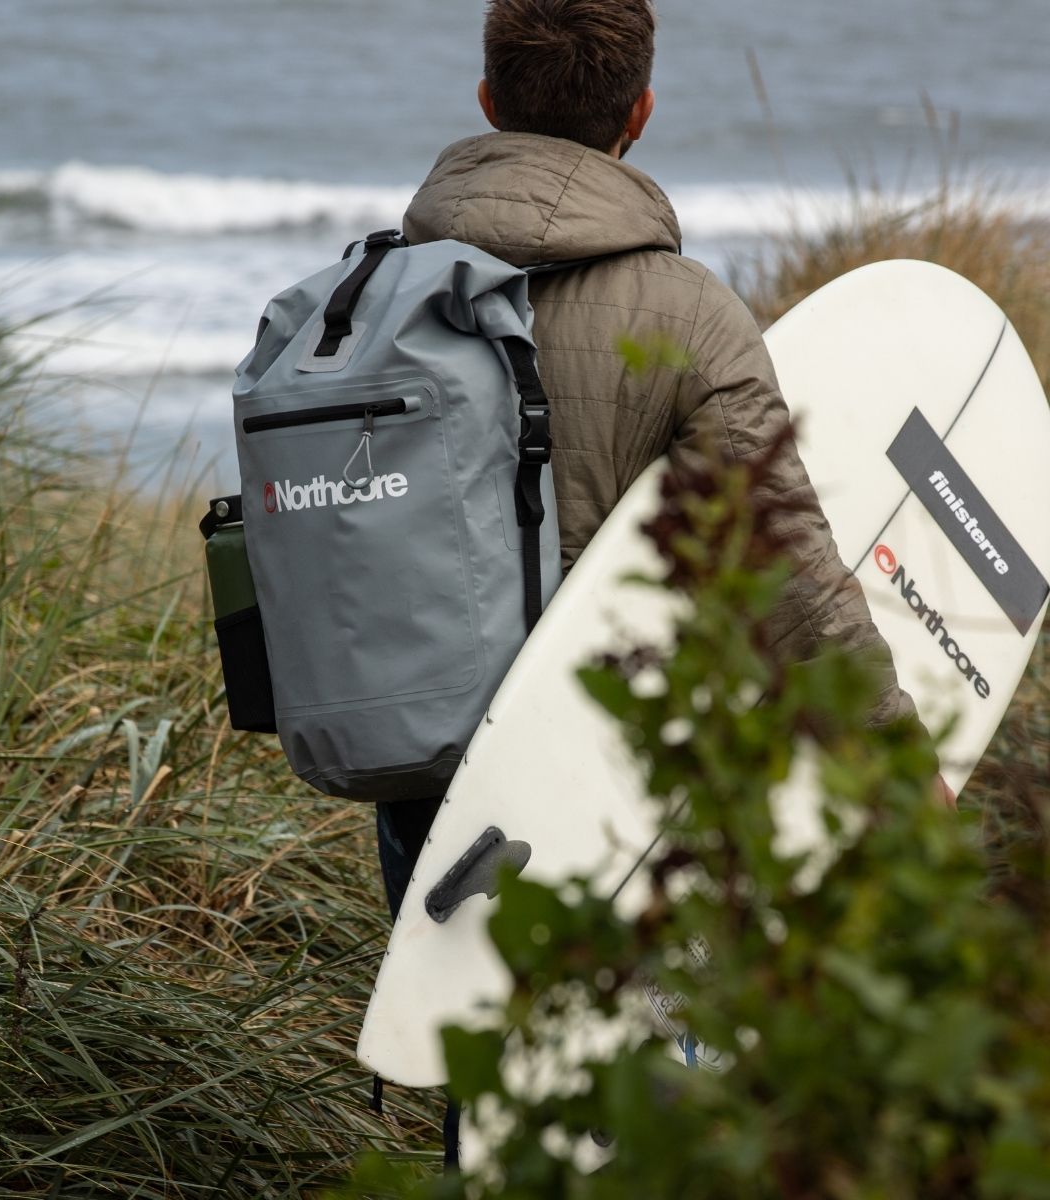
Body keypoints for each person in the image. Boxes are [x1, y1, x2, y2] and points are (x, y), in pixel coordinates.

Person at [374, 0, 952, 1164]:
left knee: (484, 1075)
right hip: (620, 770)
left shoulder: (380, 293)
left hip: (430, 756)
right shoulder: (689, 316)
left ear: (488, 100)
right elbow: (788, 577)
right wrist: (897, 762)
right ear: (639, 112)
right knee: (650, 1101)